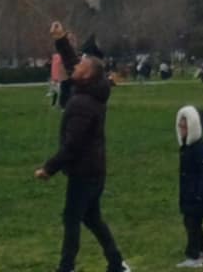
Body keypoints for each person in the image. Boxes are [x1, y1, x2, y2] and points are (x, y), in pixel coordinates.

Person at [36, 51, 128, 272]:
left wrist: (49, 168)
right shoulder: (94, 91)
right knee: (92, 218)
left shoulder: (82, 104)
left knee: (72, 219)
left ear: (86, 76)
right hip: (95, 170)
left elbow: (72, 146)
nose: (74, 68)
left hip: (84, 173)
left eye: (79, 68)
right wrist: (60, 40)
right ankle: (116, 264)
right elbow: (74, 64)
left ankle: (66, 268)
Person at [176, 103, 203, 266]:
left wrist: (200, 195)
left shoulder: (199, 149)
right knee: (191, 222)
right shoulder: (187, 148)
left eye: (184, 127)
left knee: (192, 224)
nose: (181, 129)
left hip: (197, 197)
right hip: (189, 195)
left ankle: (194, 255)